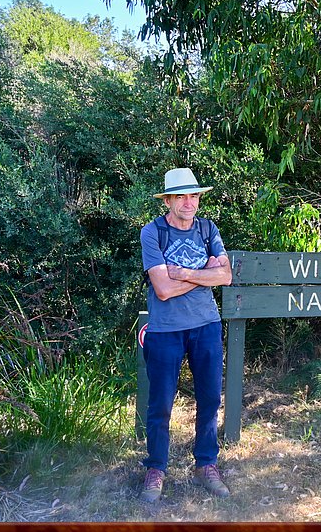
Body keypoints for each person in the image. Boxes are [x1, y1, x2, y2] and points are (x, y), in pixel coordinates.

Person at [138, 167, 233, 503]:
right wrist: (202, 273)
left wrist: (182, 272)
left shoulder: (208, 229)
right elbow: (162, 290)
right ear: (168, 199)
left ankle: (206, 464)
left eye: (194, 195)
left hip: (206, 324)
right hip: (165, 330)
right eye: (182, 196)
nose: (189, 202)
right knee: (160, 404)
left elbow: (226, 276)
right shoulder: (153, 233)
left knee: (209, 399)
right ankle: (156, 468)